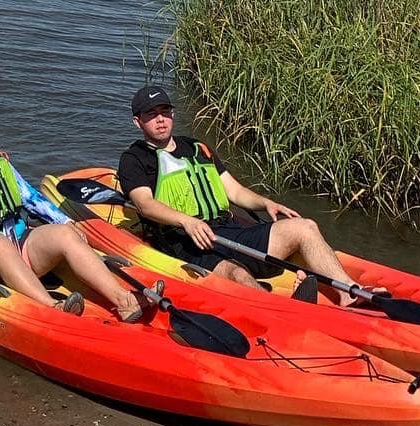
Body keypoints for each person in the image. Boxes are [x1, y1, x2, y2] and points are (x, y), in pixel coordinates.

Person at [116, 84, 367, 304]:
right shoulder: (135, 159)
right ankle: (279, 310)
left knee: (305, 227)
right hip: (185, 241)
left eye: (165, 112)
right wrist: (187, 220)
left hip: (228, 230)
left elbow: (233, 190)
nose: (160, 119)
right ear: (138, 121)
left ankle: (348, 292)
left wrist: (265, 202)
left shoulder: (197, 147)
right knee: (237, 273)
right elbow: (145, 204)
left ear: (172, 114)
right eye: (151, 114)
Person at [0, 99, 149, 323]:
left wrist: (67, 222)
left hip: (20, 244)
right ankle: (52, 308)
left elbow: (30, 197)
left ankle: (124, 300)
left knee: (63, 234)